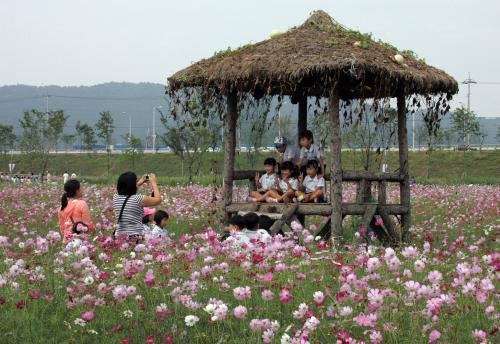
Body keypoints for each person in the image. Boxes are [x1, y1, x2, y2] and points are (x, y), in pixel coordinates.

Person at [113, 172, 161, 241]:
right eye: (136, 181)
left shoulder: (116, 197)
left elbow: (127, 189)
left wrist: (140, 182)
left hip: (119, 237)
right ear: (132, 185)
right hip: (135, 237)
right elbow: (158, 200)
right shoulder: (138, 199)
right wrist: (153, 182)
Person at [57, 179, 95, 243]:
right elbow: (87, 224)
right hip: (80, 240)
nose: (82, 190)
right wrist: (93, 230)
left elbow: (62, 229)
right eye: (80, 188)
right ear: (77, 191)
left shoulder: (61, 208)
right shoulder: (82, 204)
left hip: (67, 241)